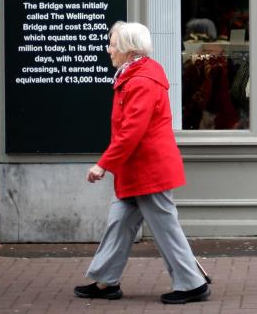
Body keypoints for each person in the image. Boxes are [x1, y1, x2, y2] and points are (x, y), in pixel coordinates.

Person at [74, 21, 211, 305]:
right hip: (141, 169)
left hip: (148, 170)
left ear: (127, 49)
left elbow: (131, 131)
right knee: (119, 223)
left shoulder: (140, 80)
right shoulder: (138, 75)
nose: (108, 49)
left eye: (112, 43)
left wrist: (103, 164)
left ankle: (192, 284)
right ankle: (105, 281)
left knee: (165, 228)